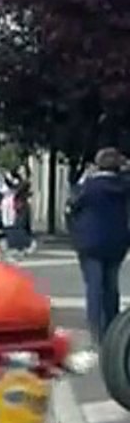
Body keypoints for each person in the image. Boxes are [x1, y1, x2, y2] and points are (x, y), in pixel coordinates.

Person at [68, 147, 130, 343]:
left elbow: (72, 205)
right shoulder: (124, 185)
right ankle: (113, 328)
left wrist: (74, 231)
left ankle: (96, 330)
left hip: (90, 242)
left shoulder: (89, 186)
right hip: (117, 242)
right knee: (111, 285)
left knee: (94, 285)